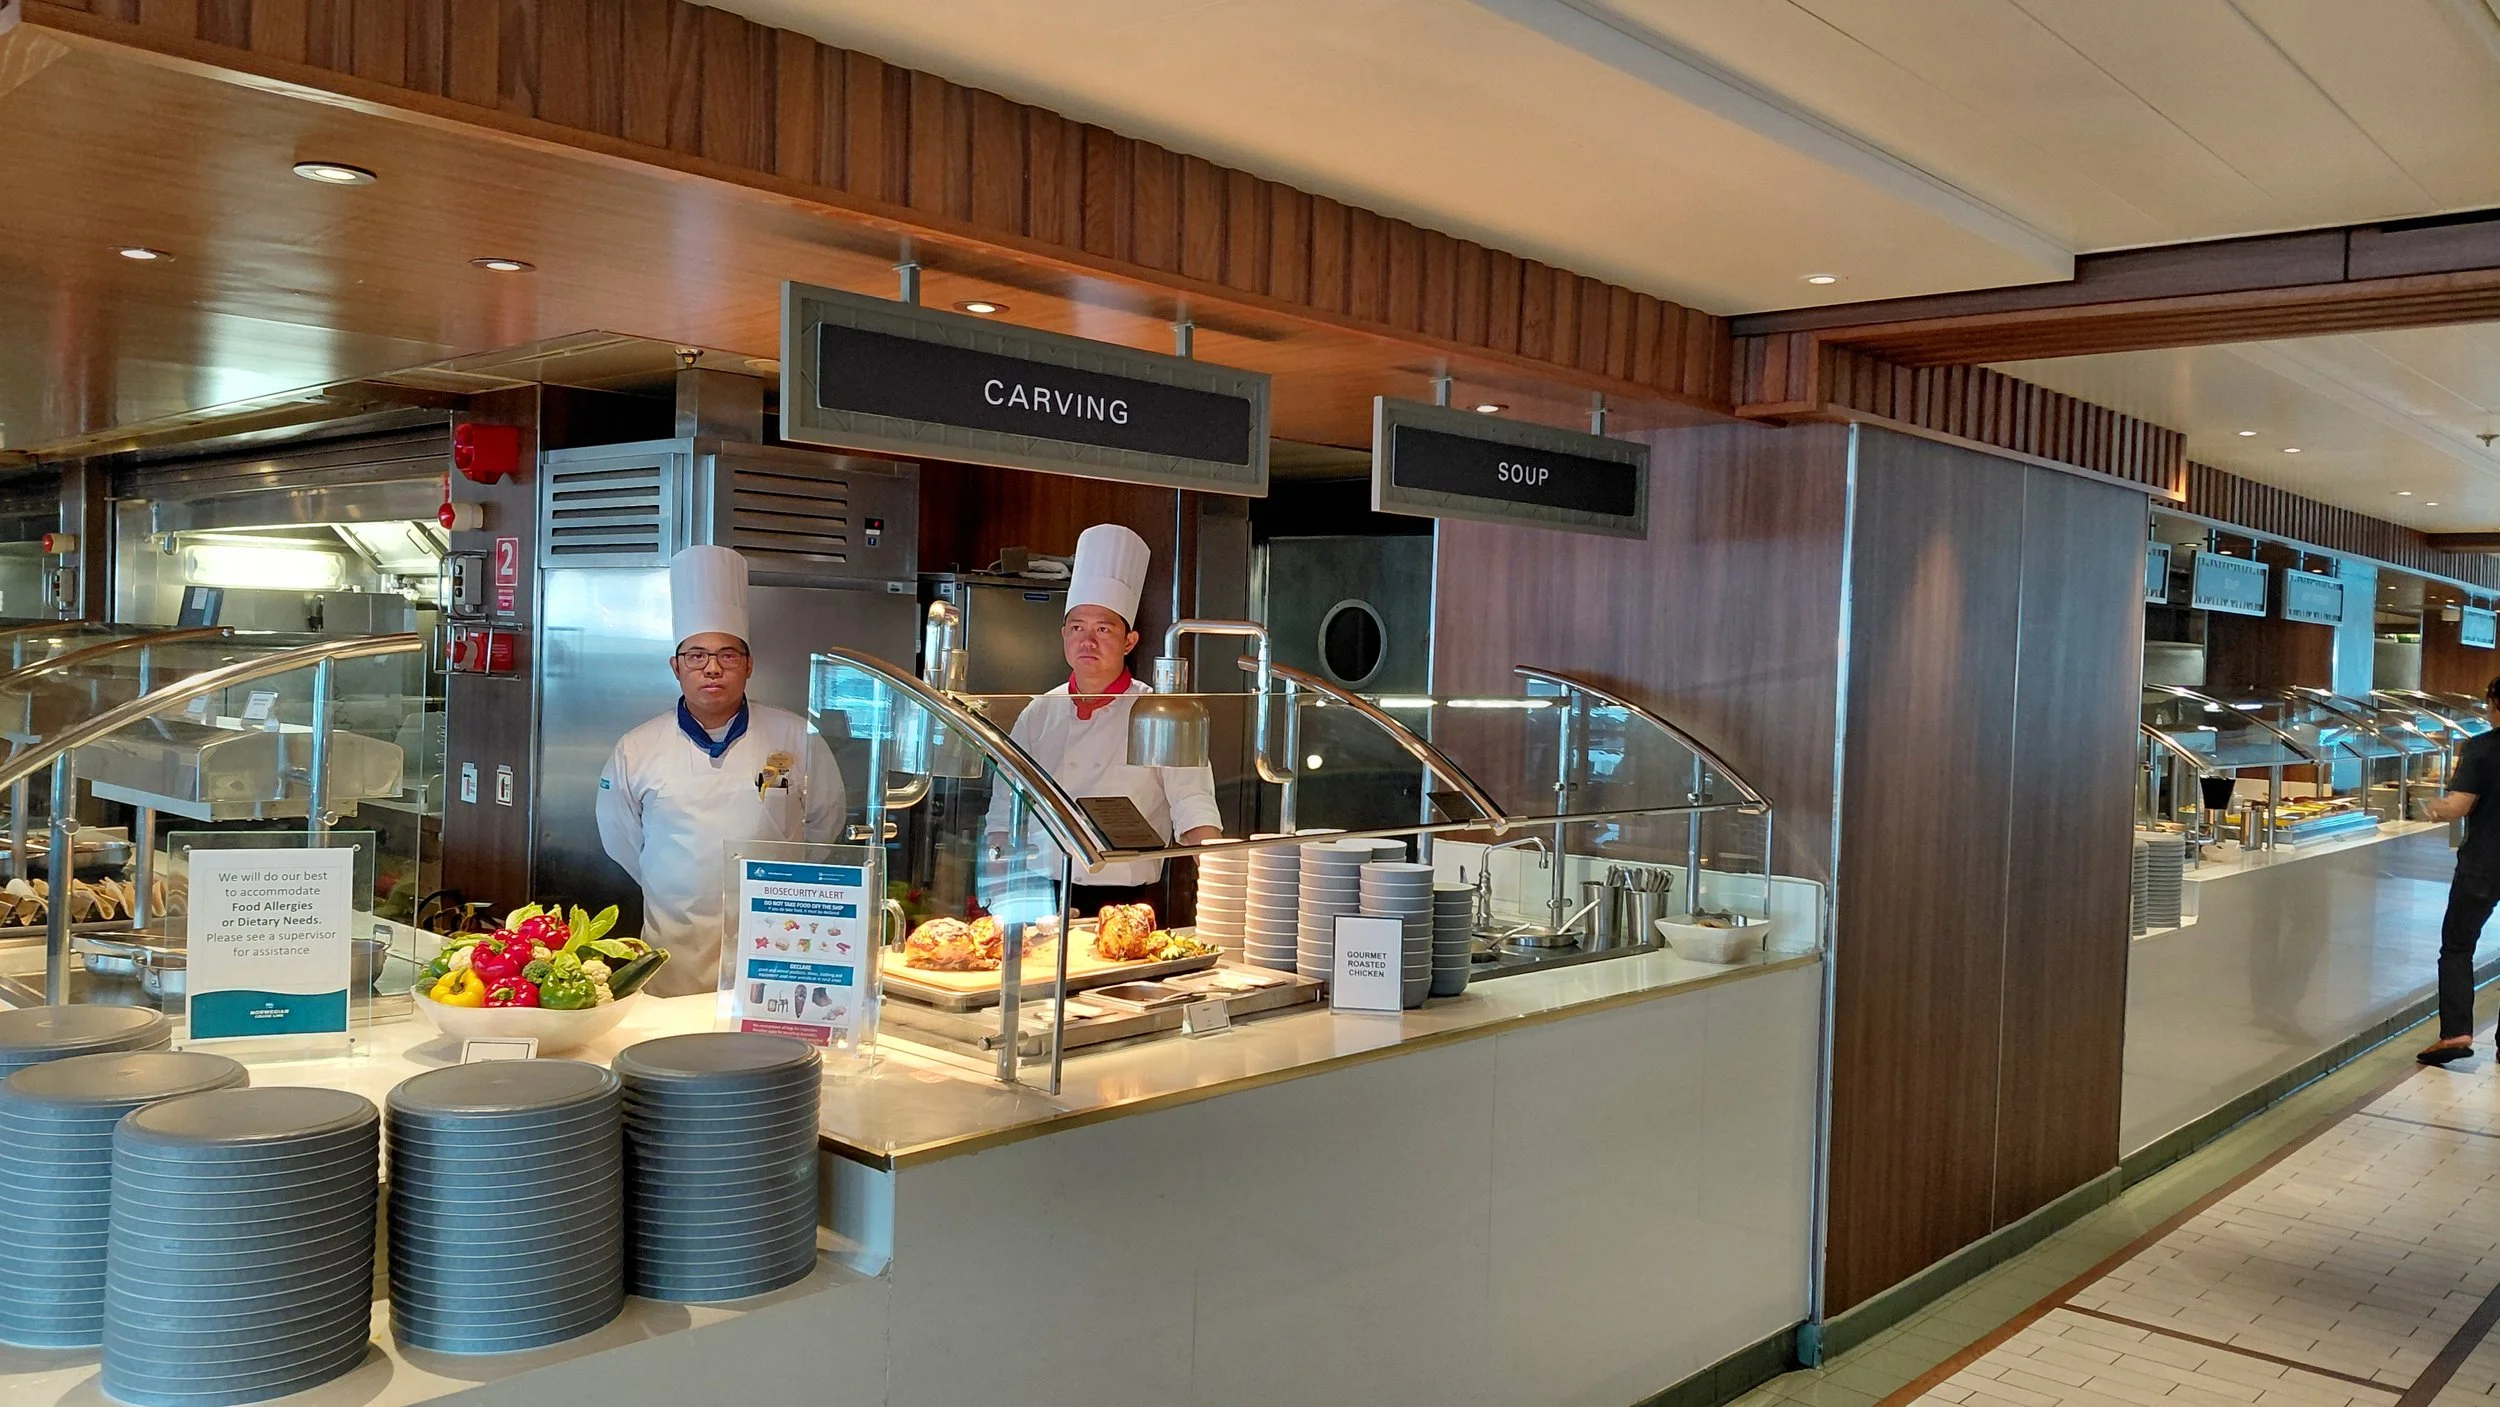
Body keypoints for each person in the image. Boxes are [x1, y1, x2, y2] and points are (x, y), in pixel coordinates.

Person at [596, 545, 844, 996]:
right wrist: (674, 885)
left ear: (749, 666)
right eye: (696, 656)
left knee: (765, 1031)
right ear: (676, 667)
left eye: (728, 655)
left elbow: (825, 822)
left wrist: (784, 885)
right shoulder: (637, 747)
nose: (712, 669)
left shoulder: (795, 736)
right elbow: (622, 840)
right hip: (675, 947)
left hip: (775, 933)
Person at [987, 523, 1222, 914]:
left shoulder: (1160, 713)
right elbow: (1003, 810)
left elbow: (1193, 804)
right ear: (1063, 635)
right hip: (1040, 896)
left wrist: (1224, 887)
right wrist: (997, 899)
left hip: (1127, 902)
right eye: (1077, 627)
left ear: (1129, 641)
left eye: (1103, 629)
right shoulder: (1039, 712)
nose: (1088, 641)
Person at [2417, 674, 2500, 1065]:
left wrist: (2432, 806)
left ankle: (2455, 1033)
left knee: (2457, 946)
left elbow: (2458, 806)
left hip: (2483, 864)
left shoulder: (2482, 748)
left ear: (2494, 703)